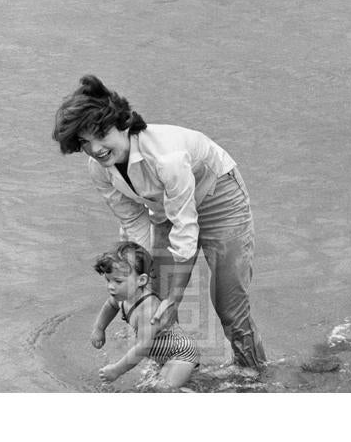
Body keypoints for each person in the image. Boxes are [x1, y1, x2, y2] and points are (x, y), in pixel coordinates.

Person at [53, 74, 266, 369]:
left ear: (122, 124)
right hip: (164, 206)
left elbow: (185, 230)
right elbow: (135, 222)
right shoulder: (99, 169)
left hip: (219, 196)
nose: (96, 149)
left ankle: (253, 376)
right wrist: (144, 275)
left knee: (229, 306)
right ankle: (172, 372)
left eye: (101, 135)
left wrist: (177, 295)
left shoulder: (167, 157)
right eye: (84, 142)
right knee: (152, 295)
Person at [92, 241, 199, 389]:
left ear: (141, 280)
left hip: (180, 354)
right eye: (108, 280)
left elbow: (143, 346)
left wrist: (116, 370)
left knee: (162, 388)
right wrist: (99, 328)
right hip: (163, 355)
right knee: (151, 386)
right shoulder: (122, 298)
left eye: (118, 281)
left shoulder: (147, 308)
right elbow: (110, 306)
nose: (111, 286)